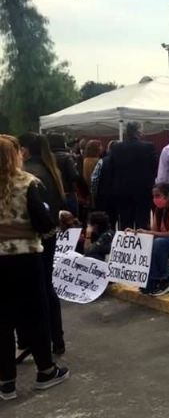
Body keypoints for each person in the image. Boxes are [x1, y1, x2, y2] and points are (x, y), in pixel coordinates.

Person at [0, 135, 69, 401]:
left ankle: (6, 381)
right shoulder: (27, 183)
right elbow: (42, 222)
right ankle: (46, 371)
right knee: (35, 314)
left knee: (2, 321)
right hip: (25, 258)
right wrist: (54, 220)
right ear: (14, 155)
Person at [17, 133, 67, 357]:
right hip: (49, 234)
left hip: (33, 238)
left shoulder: (27, 175)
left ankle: (33, 341)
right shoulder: (50, 170)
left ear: (25, 150)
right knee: (47, 288)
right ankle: (57, 339)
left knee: (32, 292)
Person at [108, 122, 158, 230]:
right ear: (138, 131)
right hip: (143, 190)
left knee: (125, 223)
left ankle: (126, 240)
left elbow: (111, 169)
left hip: (122, 190)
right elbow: (155, 167)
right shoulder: (148, 147)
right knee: (142, 222)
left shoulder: (116, 147)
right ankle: (142, 240)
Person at [46, 133, 81, 216]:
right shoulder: (67, 157)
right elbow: (74, 176)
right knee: (71, 219)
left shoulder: (46, 158)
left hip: (52, 194)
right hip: (68, 193)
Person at [91, 140, 117, 224]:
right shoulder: (123, 161)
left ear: (109, 149)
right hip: (119, 195)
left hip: (103, 195)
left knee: (104, 220)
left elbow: (94, 179)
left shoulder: (102, 161)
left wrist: (94, 193)